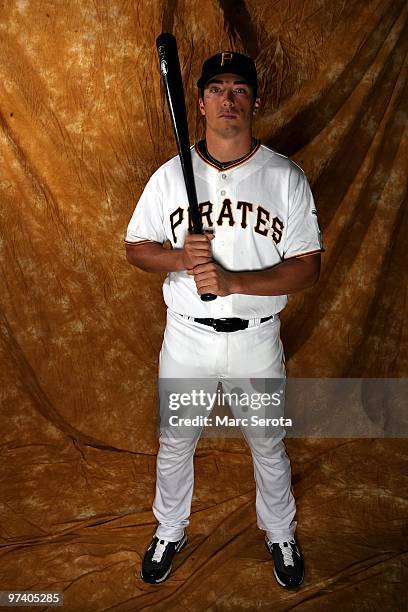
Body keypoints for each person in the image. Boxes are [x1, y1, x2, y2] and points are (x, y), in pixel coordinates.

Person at [124, 51, 323, 589]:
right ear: (201, 102)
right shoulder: (170, 176)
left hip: (257, 339)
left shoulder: (284, 177)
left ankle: (281, 532)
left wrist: (234, 282)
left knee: (267, 443)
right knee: (175, 441)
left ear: (255, 101)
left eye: (239, 89)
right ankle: (169, 528)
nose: (228, 99)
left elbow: (307, 268)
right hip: (187, 337)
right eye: (217, 89)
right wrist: (180, 259)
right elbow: (137, 248)